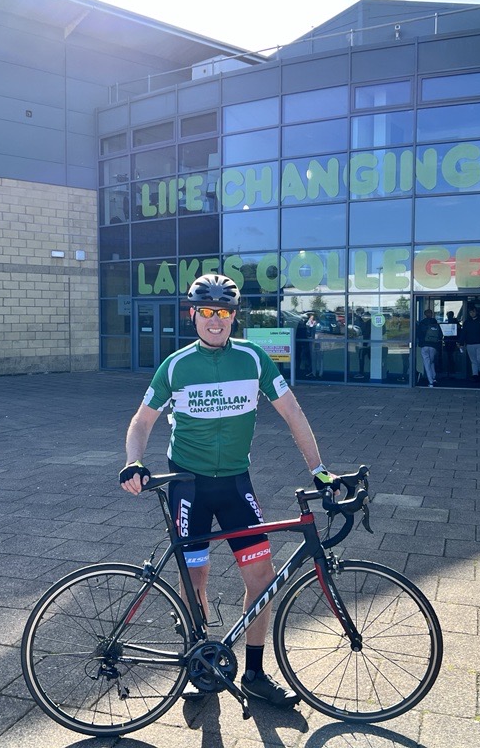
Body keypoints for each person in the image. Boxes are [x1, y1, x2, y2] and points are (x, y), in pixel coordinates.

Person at [119, 274, 336, 709]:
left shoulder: (254, 359)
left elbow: (293, 412)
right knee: (194, 578)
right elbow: (142, 422)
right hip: (188, 486)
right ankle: (198, 660)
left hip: (236, 484)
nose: (215, 320)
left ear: (234, 317)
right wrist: (133, 461)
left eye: (224, 312)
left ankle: (254, 673)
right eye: (207, 311)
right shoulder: (176, 365)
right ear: (193, 315)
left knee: (261, 578)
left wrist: (320, 470)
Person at [415, 308, 443, 387]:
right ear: (432, 314)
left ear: (425, 314)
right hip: (433, 346)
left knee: (427, 363)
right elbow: (440, 335)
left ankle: (430, 381)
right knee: (431, 362)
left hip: (424, 345)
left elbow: (418, 334)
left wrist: (420, 343)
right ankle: (434, 377)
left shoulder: (422, 323)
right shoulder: (436, 323)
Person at [462, 305, 480, 382]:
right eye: (470, 312)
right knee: (473, 360)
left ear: (476, 312)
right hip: (470, 344)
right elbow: (463, 333)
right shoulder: (467, 322)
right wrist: (461, 342)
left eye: (473, 312)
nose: (472, 313)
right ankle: (475, 375)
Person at [442, 310, 461, 378]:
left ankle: (451, 369)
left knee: (451, 355)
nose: (448, 316)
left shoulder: (454, 322)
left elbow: (458, 330)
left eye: (449, 315)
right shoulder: (452, 322)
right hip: (449, 340)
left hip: (452, 341)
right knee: (449, 355)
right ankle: (450, 369)